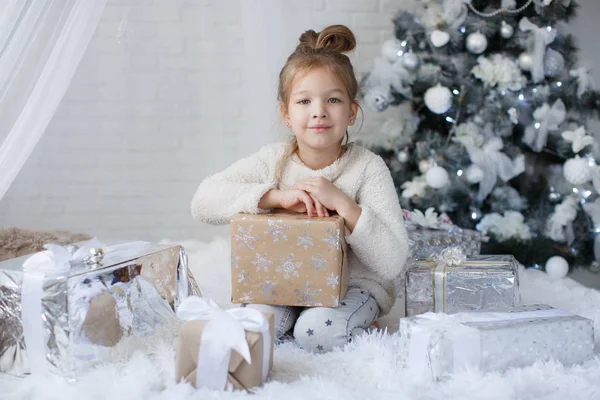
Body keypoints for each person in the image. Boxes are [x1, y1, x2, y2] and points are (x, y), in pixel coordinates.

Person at [191, 25, 409, 353]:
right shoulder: (274, 161)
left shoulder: (367, 168)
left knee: (315, 333)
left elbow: (392, 262)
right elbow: (203, 201)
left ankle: (351, 323)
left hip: (354, 287)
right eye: (304, 100)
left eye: (333, 100)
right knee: (256, 326)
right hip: (286, 285)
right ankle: (303, 319)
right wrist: (274, 197)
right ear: (286, 114)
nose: (318, 111)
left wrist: (345, 205)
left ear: (351, 112)